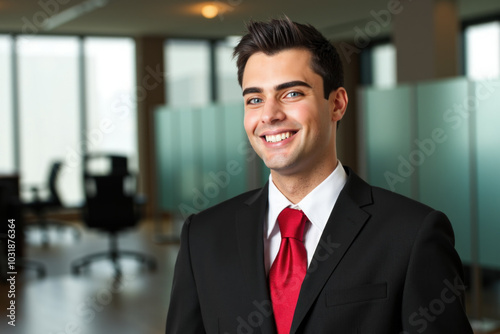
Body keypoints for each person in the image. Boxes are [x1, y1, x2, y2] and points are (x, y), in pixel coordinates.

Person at [166, 17, 473, 334]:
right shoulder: (202, 237)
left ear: (337, 104)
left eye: (292, 94)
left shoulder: (411, 234)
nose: (269, 115)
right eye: (255, 99)